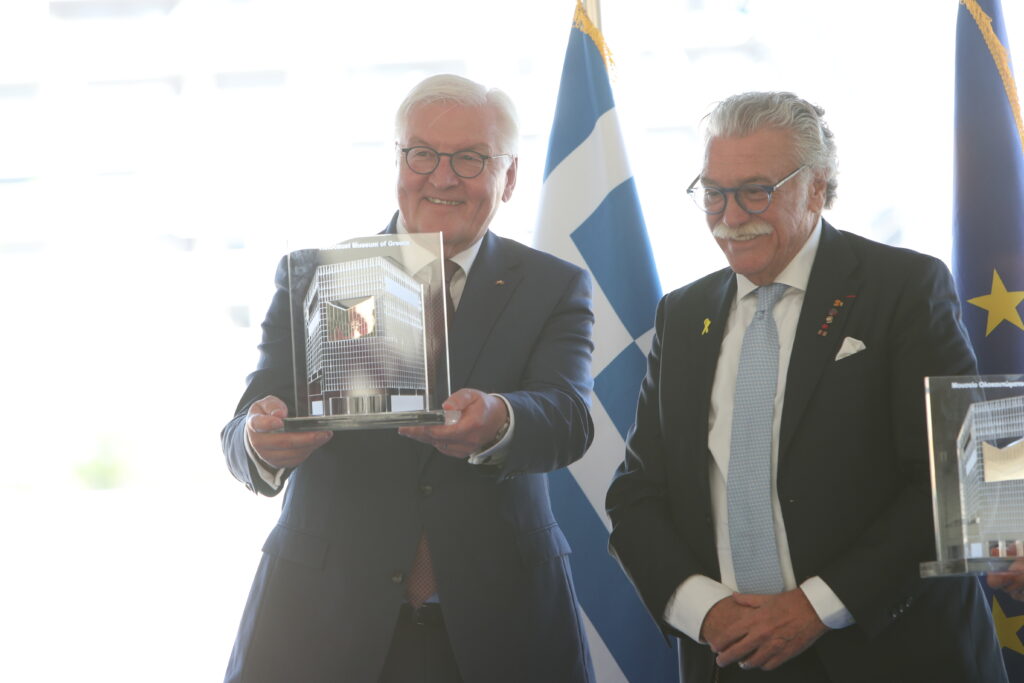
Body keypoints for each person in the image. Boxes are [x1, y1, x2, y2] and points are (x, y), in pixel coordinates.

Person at [605, 91, 1007, 682]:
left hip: (891, 654)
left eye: (755, 191)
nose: (730, 216)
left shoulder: (905, 286)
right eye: (714, 193)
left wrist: (815, 607)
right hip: (731, 654)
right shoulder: (683, 314)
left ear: (816, 187)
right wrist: (706, 611)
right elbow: (637, 493)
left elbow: (955, 480)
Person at [221, 74, 596, 683]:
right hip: (321, 623)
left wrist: (500, 421)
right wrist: (259, 443)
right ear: (398, 160)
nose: (441, 177)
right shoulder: (315, 276)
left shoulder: (554, 285)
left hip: (502, 626)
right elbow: (242, 428)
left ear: (509, 177)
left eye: (470, 158)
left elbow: (570, 419)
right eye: (422, 153)